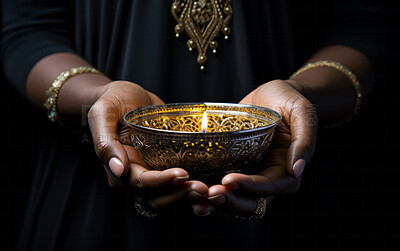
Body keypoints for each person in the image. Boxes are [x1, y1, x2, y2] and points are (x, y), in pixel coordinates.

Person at [0, 0, 388, 250]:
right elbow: (29, 28)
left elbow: (364, 27)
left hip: (294, 192)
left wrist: (302, 95)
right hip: (92, 205)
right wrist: (95, 99)